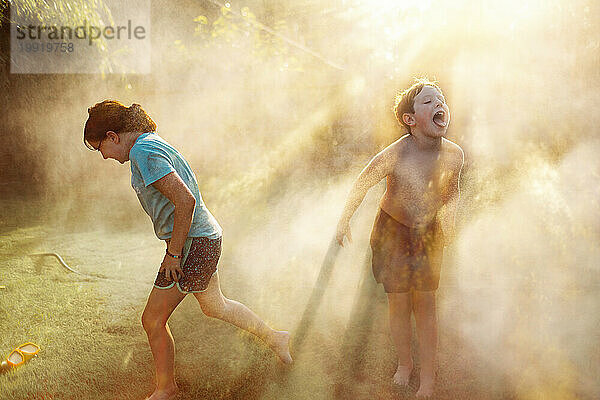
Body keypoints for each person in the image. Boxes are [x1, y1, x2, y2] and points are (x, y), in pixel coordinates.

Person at [83, 100, 292, 400]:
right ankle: (276, 338)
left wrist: (174, 254)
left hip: (194, 245)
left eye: (99, 146)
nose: (103, 156)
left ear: (112, 136)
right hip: (204, 239)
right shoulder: (149, 144)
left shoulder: (142, 151)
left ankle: (166, 390)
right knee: (215, 306)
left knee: (152, 319)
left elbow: (185, 201)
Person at [335, 78, 464, 398]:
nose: (439, 104)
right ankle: (405, 363)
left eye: (441, 100)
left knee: (426, 304)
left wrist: (449, 225)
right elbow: (362, 183)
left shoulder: (454, 155)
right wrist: (343, 220)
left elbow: (451, 193)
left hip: (427, 233)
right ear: (410, 120)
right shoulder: (396, 153)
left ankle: (428, 378)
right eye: (428, 102)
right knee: (399, 301)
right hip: (392, 231)